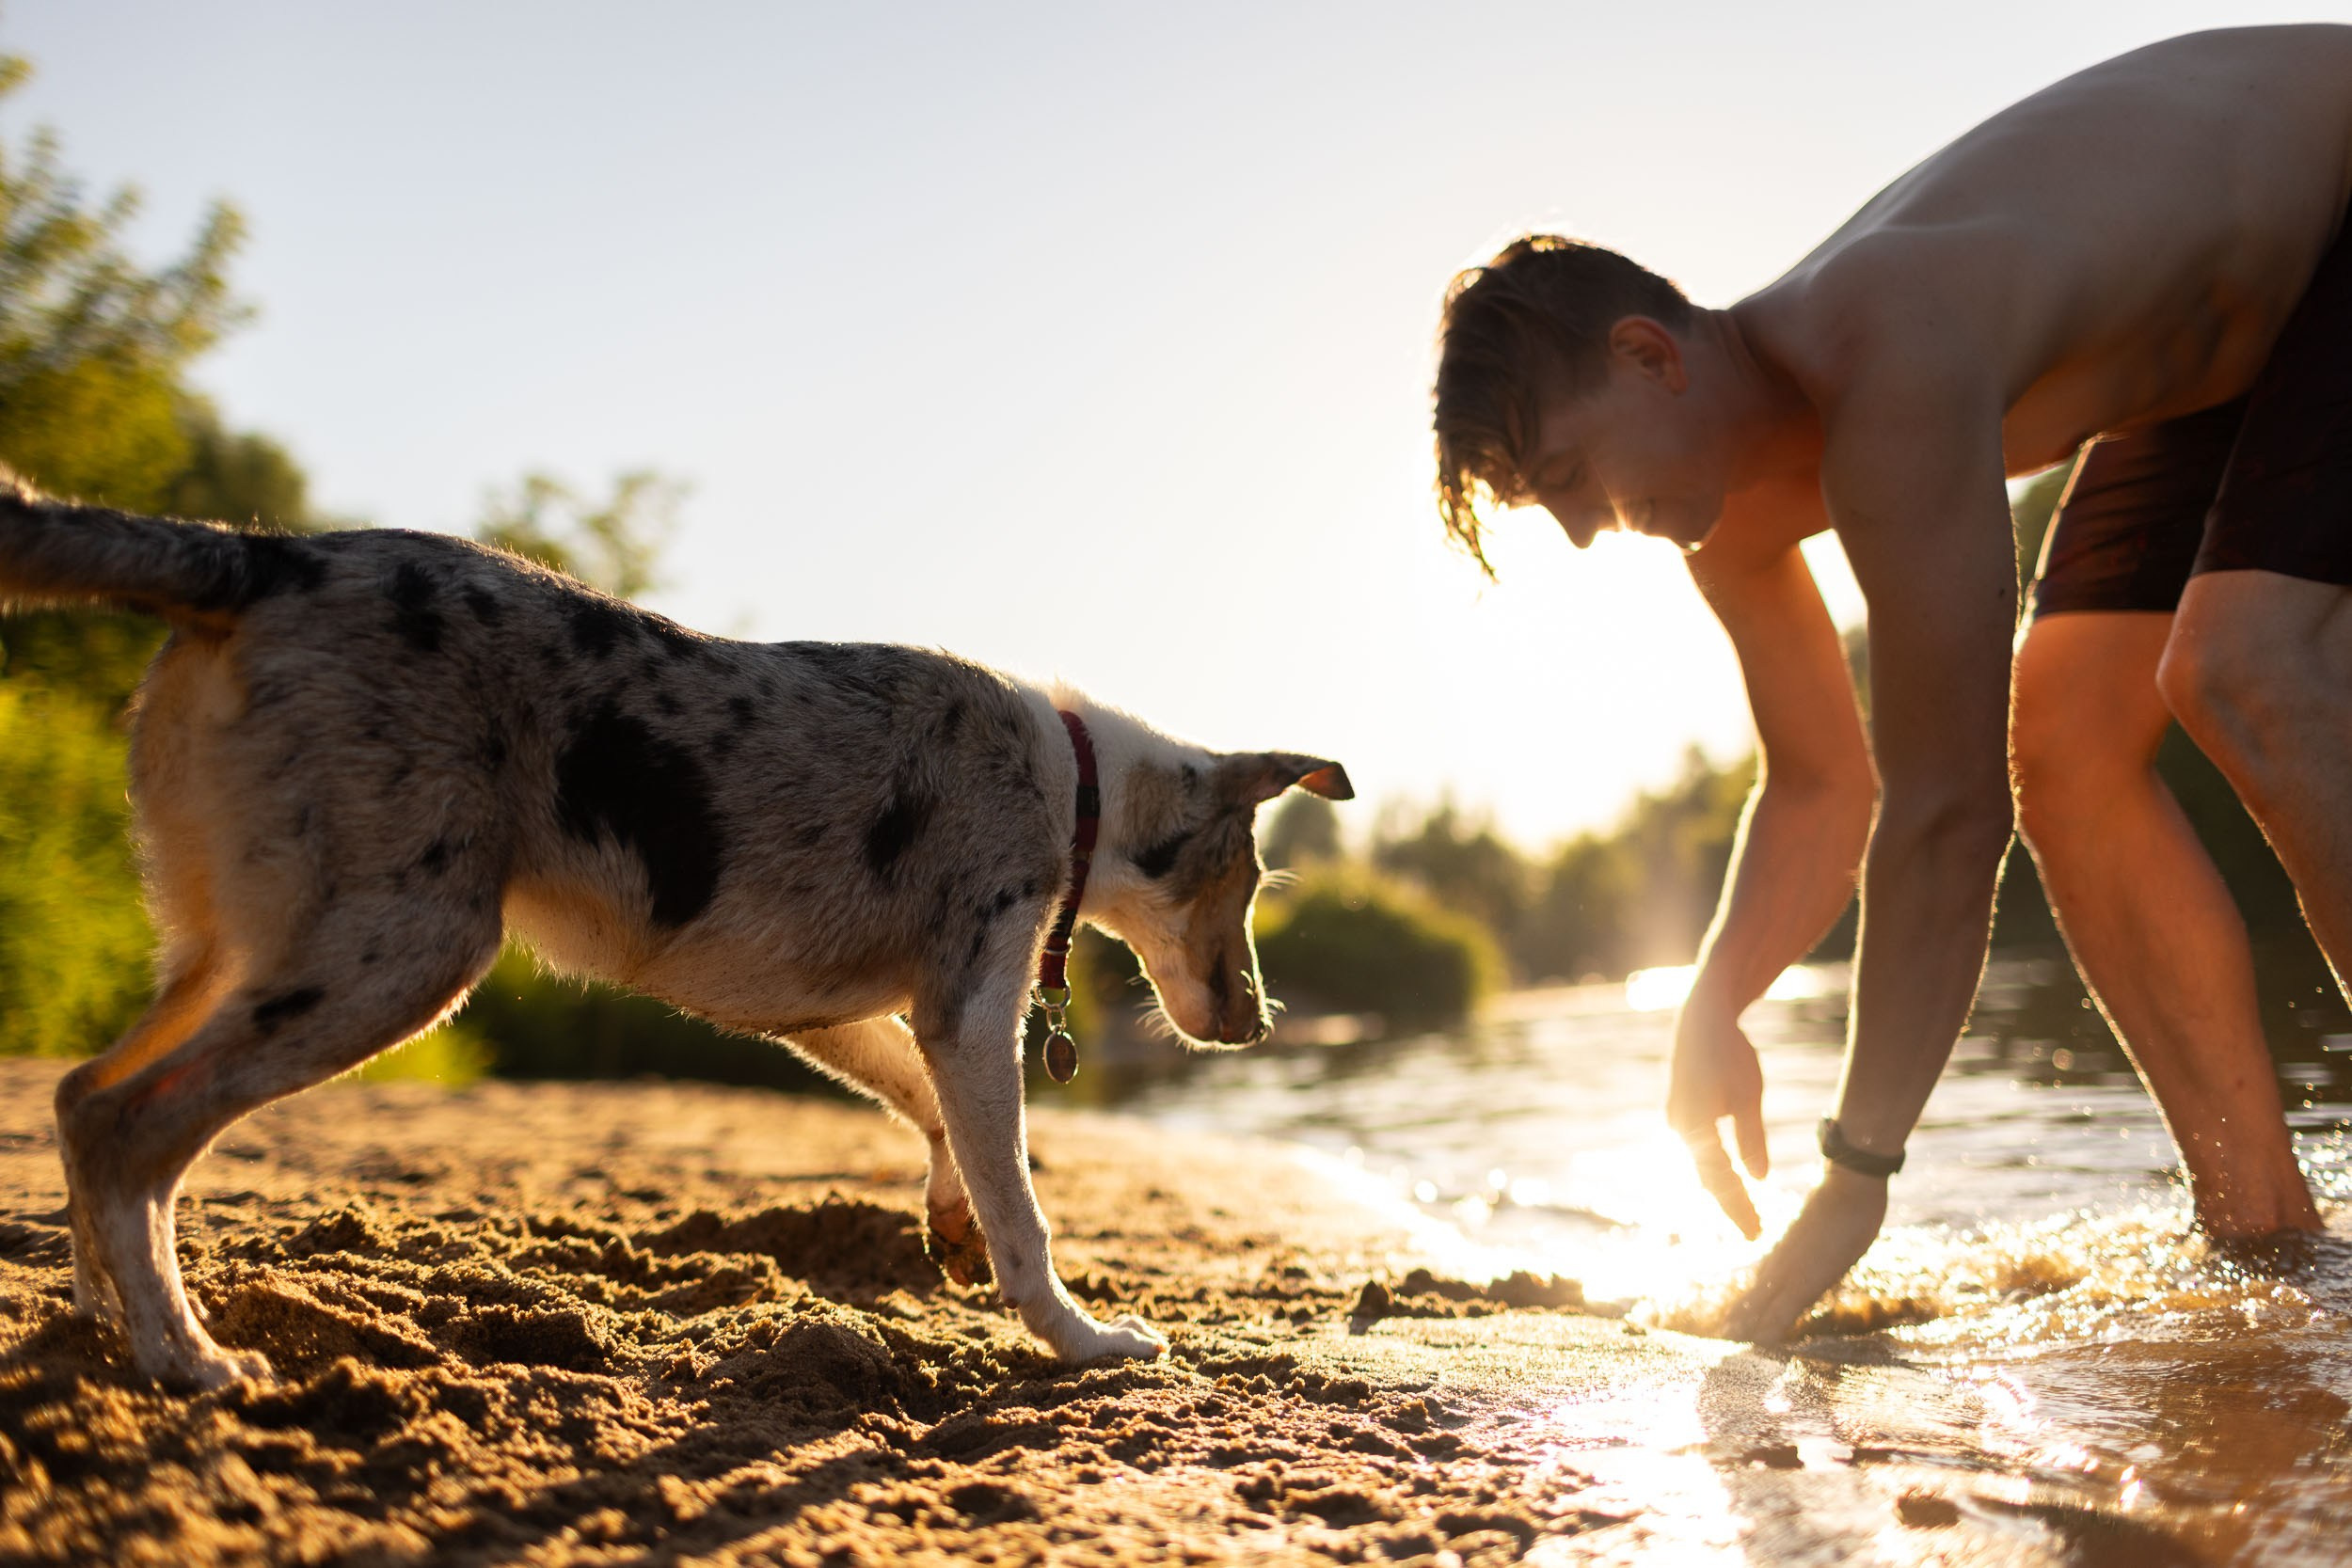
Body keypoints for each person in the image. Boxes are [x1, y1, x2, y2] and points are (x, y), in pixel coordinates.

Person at [1431, 24, 2349, 1339]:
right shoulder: (1729, 520)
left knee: (2248, 664)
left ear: (1650, 355)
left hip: (2333, 205)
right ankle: (2267, 1237)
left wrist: (1855, 1176)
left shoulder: (1888, 350)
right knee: (2071, 743)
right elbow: (1821, 790)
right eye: (1549, 510)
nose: (1584, 533)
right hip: (2234, 338)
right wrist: (1715, 999)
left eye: (1571, 477)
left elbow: (1943, 814)